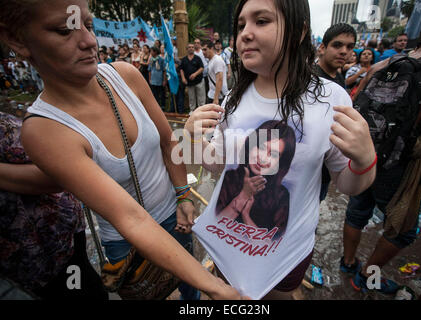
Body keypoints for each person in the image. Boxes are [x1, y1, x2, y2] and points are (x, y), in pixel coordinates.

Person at [0, 0, 245, 301]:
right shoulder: (44, 130)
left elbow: (169, 142)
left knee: (190, 292)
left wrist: (183, 194)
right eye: (65, 30)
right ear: (17, 40)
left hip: (173, 213)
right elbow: (131, 219)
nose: (89, 41)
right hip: (124, 240)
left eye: (88, 25)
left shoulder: (125, 76)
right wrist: (217, 287)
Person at [184, 0, 376, 299]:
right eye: (240, 25)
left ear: (299, 31)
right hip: (226, 242)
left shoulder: (330, 99)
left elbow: (348, 184)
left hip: (286, 254)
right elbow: (217, 165)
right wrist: (191, 139)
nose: (245, 34)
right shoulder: (234, 96)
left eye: (261, 21)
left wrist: (365, 159)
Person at [341, 18, 421, 294]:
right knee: (404, 231)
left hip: (367, 156)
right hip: (400, 162)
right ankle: (367, 275)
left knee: (357, 211)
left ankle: (348, 262)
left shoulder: (382, 64)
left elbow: (356, 108)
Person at [0, 111, 108, 300]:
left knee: (82, 289)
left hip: (55, 241)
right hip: (16, 265)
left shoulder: (7, 130)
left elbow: (63, 172)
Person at [216, 120, 295, 239]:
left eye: (273, 155)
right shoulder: (230, 179)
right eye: (261, 147)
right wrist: (243, 196)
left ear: (281, 163)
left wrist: (246, 215)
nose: (262, 158)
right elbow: (216, 226)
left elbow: (272, 244)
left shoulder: (281, 196)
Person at [314, 23, 356, 203]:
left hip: (328, 164)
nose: (344, 51)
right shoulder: (311, 79)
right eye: (337, 45)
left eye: (349, 47)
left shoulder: (338, 77)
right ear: (322, 48)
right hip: (311, 164)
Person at [180, 43, 205, 113]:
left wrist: (195, 74)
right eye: (189, 47)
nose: (191, 48)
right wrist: (183, 78)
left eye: (192, 47)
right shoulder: (184, 59)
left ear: (194, 49)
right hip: (189, 83)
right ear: (187, 49)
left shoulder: (197, 58)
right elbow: (181, 69)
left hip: (199, 81)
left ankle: (201, 112)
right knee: (191, 98)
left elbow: (202, 68)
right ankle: (192, 111)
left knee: (201, 98)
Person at [202, 40, 228, 105]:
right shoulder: (211, 60)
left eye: (205, 49)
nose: (203, 52)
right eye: (202, 50)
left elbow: (219, 79)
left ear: (212, 48)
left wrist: (216, 98)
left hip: (218, 97)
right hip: (212, 94)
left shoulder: (217, 60)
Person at [148, 46, 167, 110]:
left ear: (155, 52)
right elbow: (149, 70)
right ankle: (156, 106)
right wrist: (150, 79)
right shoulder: (151, 59)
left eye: (152, 51)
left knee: (161, 93)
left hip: (159, 78)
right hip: (153, 79)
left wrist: (164, 80)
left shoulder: (161, 59)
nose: (151, 52)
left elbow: (164, 70)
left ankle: (162, 106)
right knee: (154, 93)